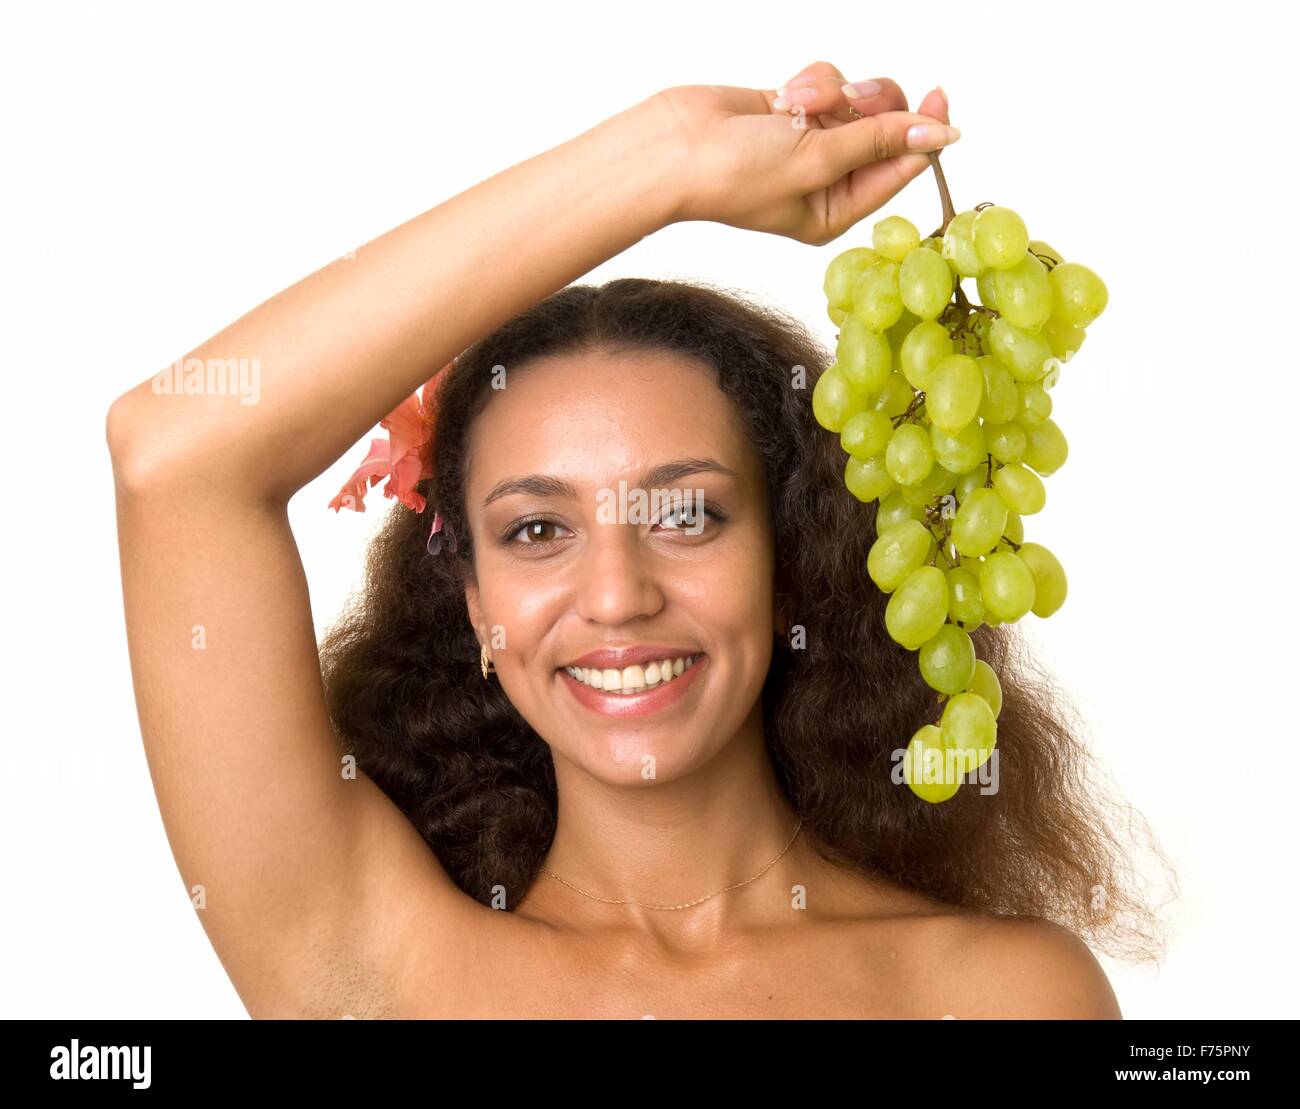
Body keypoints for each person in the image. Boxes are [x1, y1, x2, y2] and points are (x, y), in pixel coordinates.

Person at [107, 61, 1169, 1019]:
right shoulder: (376, 965)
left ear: (788, 565)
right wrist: (669, 156)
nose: (616, 594)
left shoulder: (1003, 994)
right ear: (475, 606)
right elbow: (175, 453)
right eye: (537, 529)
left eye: (687, 514)